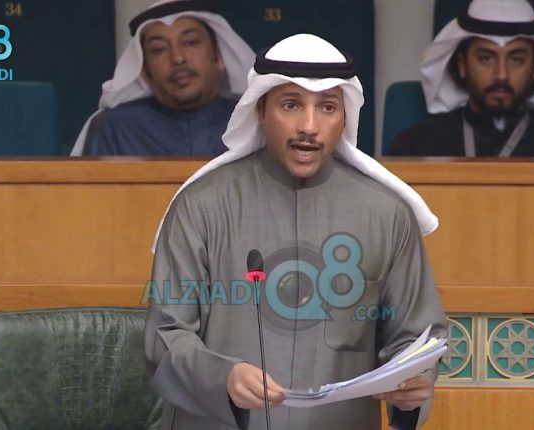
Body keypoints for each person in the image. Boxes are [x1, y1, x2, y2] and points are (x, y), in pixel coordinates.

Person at [145, 33, 447, 430]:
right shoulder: (201, 206)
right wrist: (224, 378)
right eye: (291, 105)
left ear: (345, 116)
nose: (309, 126)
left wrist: (413, 381)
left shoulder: (387, 214)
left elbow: (417, 336)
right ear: (260, 109)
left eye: (327, 107)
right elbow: (166, 336)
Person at [388, 0, 534, 157]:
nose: (501, 75)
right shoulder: (416, 147)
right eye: (486, 58)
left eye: (516, 60)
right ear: (462, 65)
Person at [70, 0, 255, 156]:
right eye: (159, 50)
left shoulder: (253, 121)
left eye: (190, 43)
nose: (177, 58)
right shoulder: (114, 128)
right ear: (145, 71)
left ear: (220, 57)